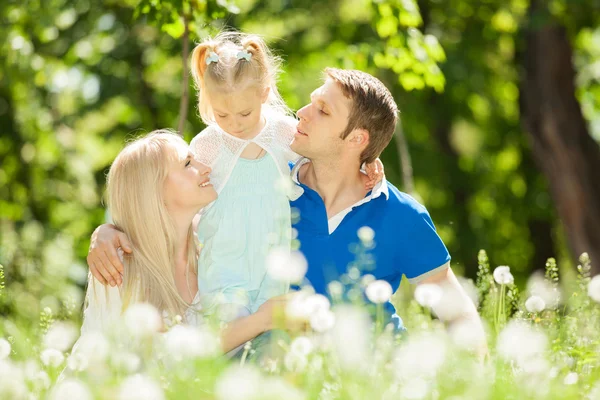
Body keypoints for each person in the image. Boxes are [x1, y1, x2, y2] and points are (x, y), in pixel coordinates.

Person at [89, 68, 485, 351]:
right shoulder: (271, 190)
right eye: (310, 103)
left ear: (357, 139)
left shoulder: (399, 213)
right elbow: (162, 206)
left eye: (323, 111)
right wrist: (108, 231)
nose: (300, 113)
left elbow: (453, 303)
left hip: (375, 373)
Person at [78, 131, 285, 353]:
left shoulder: (214, 247)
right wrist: (260, 321)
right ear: (154, 190)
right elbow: (161, 364)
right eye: (187, 163)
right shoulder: (117, 269)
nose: (206, 167)